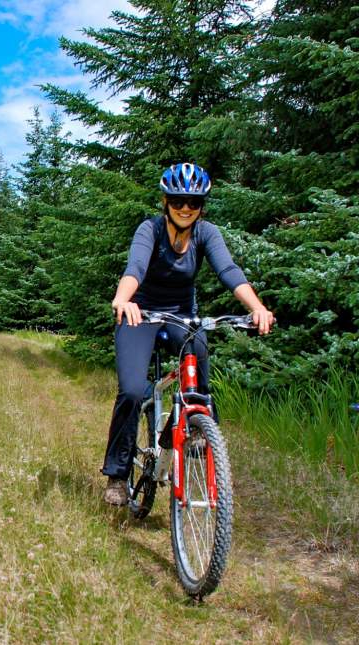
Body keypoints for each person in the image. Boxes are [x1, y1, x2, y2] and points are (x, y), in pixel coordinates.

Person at [102, 163, 275, 505]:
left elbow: (228, 270)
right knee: (134, 391)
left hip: (181, 314)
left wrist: (257, 307)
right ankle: (118, 475)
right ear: (166, 200)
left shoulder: (205, 234)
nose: (185, 208)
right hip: (140, 312)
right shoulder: (149, 230)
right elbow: (135, 267)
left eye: (193, 203)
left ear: (201, 206)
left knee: (199, 348)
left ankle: (199, 428)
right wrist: (123, 299)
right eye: (179, 200)